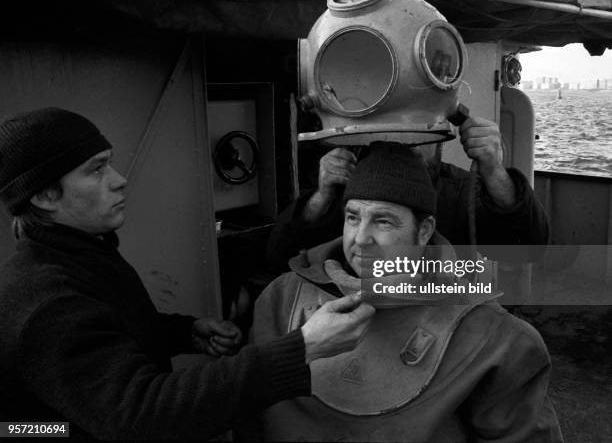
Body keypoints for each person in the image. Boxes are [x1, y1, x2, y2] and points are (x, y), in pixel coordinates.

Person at [0, 107, 375, 441]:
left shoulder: (80, 252)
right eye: (96, 169)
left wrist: (181, 332)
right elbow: (142, 416)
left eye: (109, 163)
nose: (119, 179)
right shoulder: (47, 303)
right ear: (45, 196)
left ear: (424, 231)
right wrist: (303, 348)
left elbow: (100, 334)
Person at [252, 143, 562, 442]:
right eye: (352, 217)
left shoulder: (495, 338)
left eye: (383, 222)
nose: (361, 239)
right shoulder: (281, 299)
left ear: (424, 232)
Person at [267, 116, 549, 274]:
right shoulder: (346, 191)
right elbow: (281, 254)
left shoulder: (463, 191)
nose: (405, 146)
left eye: (418, 137)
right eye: (394, 135)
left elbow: (528, 248)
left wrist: (494, 171)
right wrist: (322, 196)